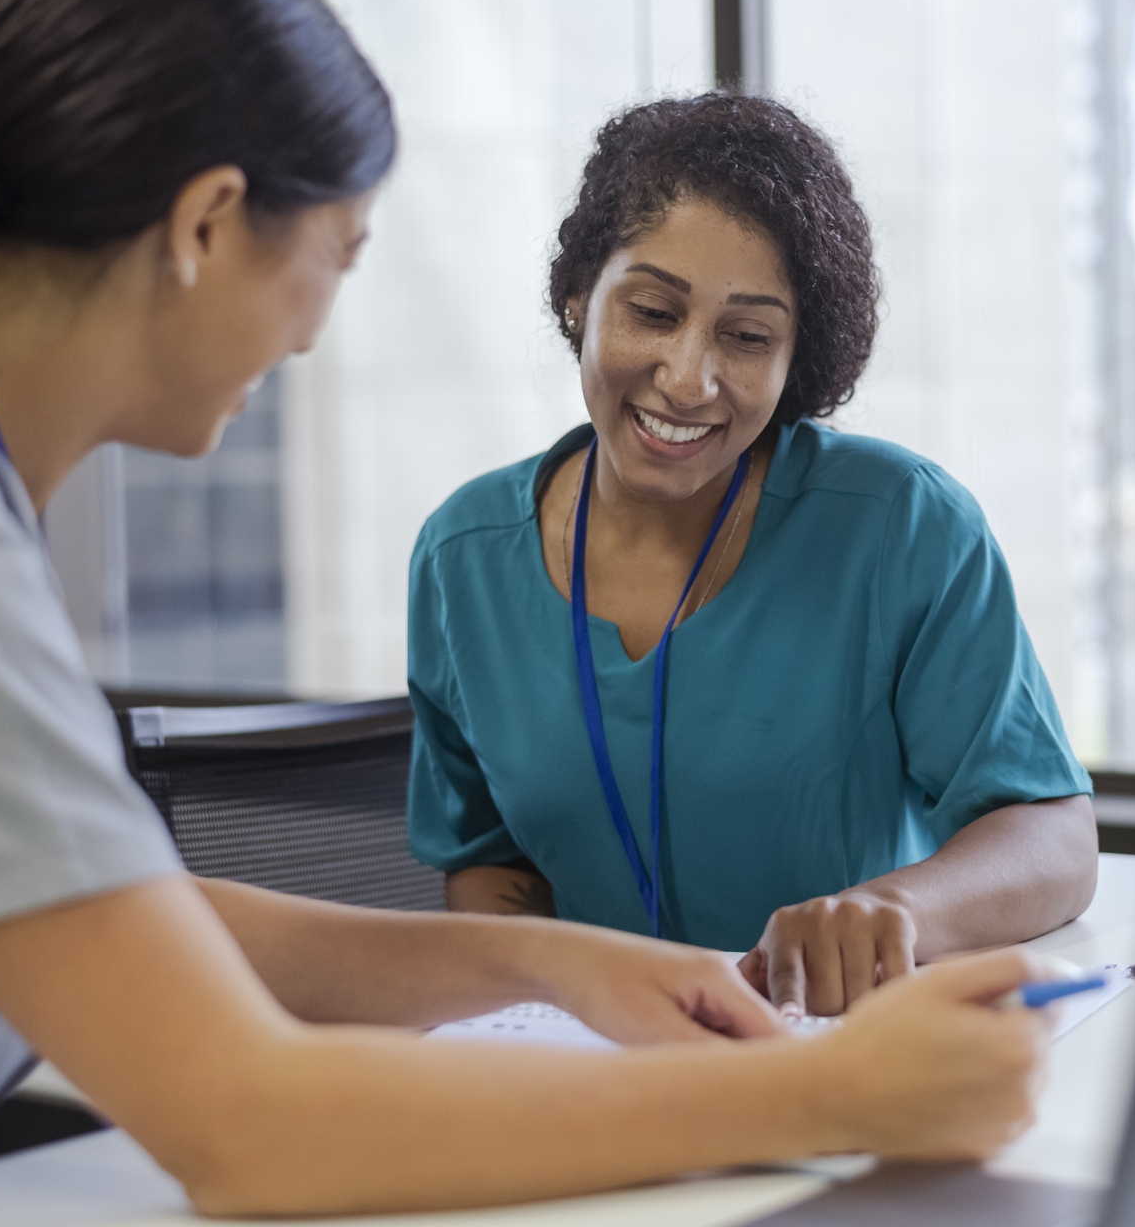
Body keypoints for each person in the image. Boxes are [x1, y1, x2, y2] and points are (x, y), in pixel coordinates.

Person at [0, 0, 1063, 1216]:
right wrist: (834, 1097)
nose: (319, 323)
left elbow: (139, 916)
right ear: (207, 224)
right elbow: (249, 1130)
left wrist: (552, 963)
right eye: (341, 252)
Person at [408, 95, 1099, 1017]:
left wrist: (888, 911)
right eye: (652, 311)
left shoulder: (898, 527)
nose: (689, 378)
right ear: (579, 298)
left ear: (793, 358)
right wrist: (535, 1011)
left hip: (831, 1049)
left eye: (746, 336)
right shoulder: (462, 560)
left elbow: (1053, 834)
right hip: (592, 1072)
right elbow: (489, 860)